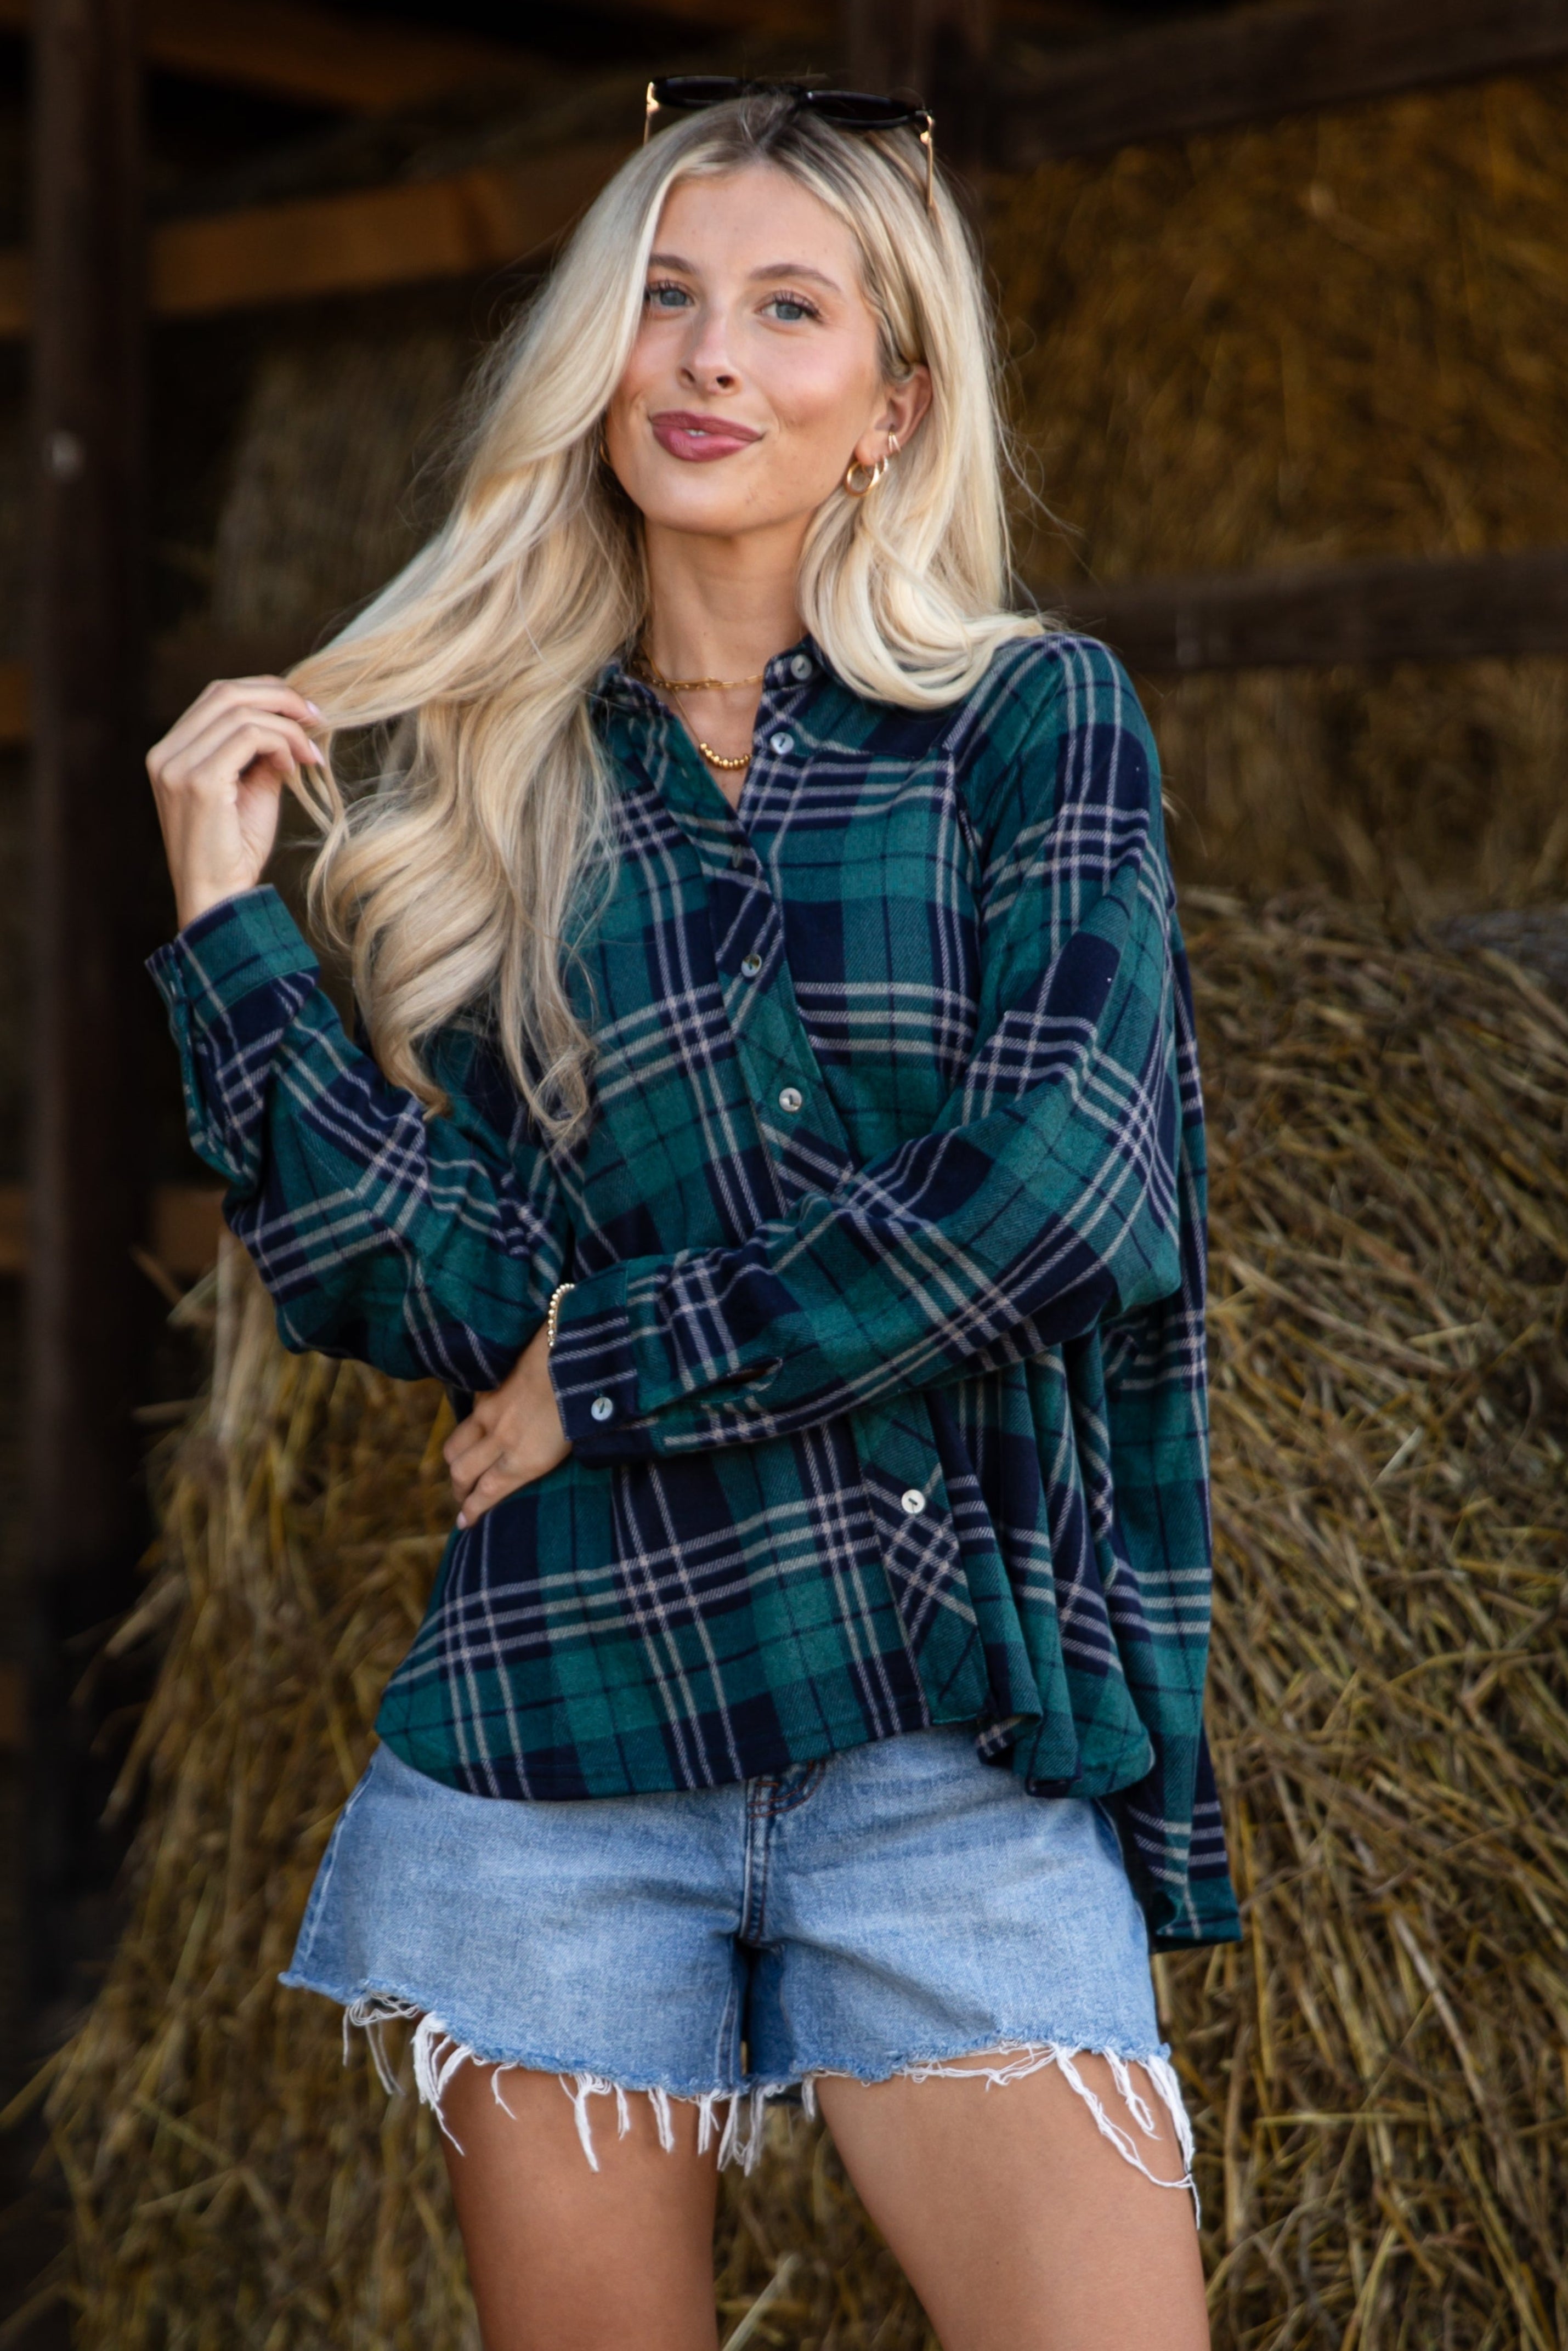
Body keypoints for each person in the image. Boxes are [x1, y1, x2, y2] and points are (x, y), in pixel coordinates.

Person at [146, 80, 1237, 2351]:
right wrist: (230, 926)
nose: (708, 356)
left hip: (941, 1738)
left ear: (890, 407)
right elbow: (421, 1282)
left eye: (785, 309)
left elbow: (1065, 1195)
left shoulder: (1027, 725)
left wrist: (614, 1360)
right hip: (570, 1728)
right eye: (661, 298)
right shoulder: (500, 778)